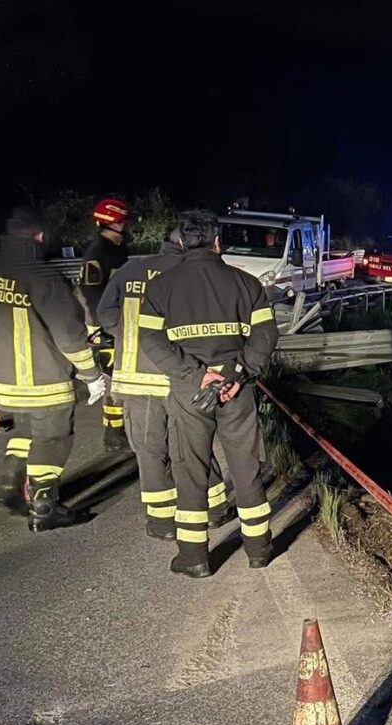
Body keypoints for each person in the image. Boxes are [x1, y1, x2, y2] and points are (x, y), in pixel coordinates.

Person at [138, 210, 279, 578]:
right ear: (218, 241)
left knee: (191, 471)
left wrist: (196, 375)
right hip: (238, 392)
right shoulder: (247, 283)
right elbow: (266, 336)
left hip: (189, 394)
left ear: (182, 241)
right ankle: (259, 549)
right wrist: (239, 371)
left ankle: (194, 557)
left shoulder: (160, 287)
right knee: (246, 468)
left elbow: (149, 339)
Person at [0, 207, 109, 531]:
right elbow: (70, 335)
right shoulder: (42, 276)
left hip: (0, 382)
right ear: (39, 236)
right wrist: (92, 375)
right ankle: (44, 506)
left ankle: (10, 488)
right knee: (52, 438)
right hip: (43, 382)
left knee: (26, 431)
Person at [97, 229, 231, 541]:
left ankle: (161, 522)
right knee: (194, 444)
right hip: (183, 376)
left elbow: (104, 314)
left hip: (137, 378)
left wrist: (132, 335)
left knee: (149, 449)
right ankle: (214, 509)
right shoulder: (194, 275)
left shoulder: (130, 270)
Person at [81, 198, 132, 451]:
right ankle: (113, 434)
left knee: (120, 378)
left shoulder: (116, 249)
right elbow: (91, 293)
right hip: (105, 325)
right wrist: (104, 327)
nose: (128, 226)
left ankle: (119, 429)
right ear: (114, 222)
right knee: (113, 379)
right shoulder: (98, 252)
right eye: (124, 222)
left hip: (116, 322)